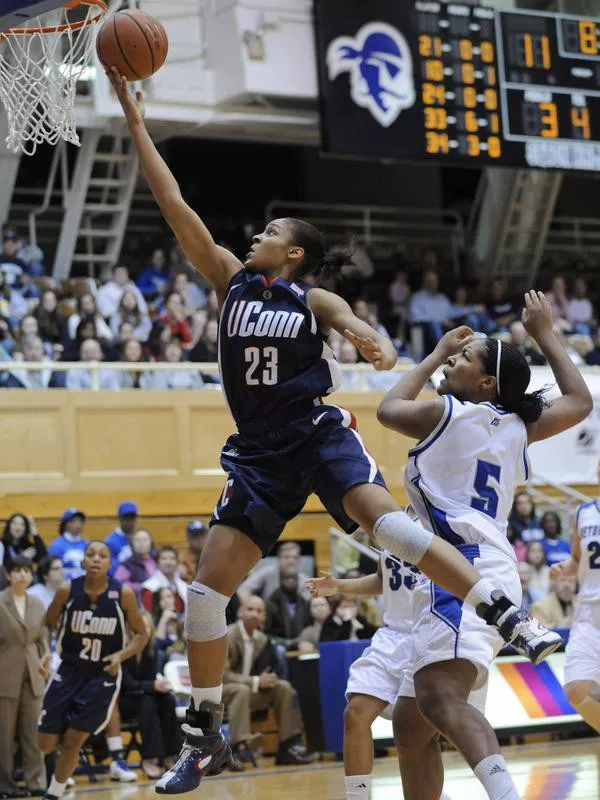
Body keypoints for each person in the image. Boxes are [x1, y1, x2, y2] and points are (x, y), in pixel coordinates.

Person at [109, 68, 561, 794]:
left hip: (317, 433)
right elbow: (173, 204)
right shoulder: (228, 280)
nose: (256, 234)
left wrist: (372, 339)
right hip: (258, 454)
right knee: (202, 595)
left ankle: (508, 616)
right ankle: (203, 736)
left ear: (292, 253)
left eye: (272, 232)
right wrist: (135, 122)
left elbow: (351, 319)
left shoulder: (307, 292)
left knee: (393, 529)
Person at [375, 291, 592, 800]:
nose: (453, 359)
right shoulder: (519, 426)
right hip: (482, 566)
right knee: (410, 722)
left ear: (486, 382)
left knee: (436, 698)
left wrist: (428, 356)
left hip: (465, 567)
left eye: (464, 358)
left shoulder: (448, 413)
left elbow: (388, 409)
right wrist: (544, 335)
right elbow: (581, 402)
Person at [307, 554, 463, 800]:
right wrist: (339, 586)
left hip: (430, 637)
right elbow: (386, 579)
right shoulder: (387, 530)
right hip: (391, 637)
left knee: (420, 738)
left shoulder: (440, 525)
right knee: (355, 714)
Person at [38, 541, 147, 800]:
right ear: (83, 561)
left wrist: (120, 656)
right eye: (91, 554)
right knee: (46, 744)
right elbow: (47, 624)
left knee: (74, 739)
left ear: (110, 563)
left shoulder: (123, 594)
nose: (96, 559)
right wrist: (46, 650)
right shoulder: (67, 590)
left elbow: (142, 634)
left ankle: (54, 793)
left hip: (102, 675)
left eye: (103, 555)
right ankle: (63, 758)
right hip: (68, 670)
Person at [222, 595, 311, 768]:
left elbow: (270, 668)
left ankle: (287, 746)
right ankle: (236, 749)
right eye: (250, 609)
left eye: (259, 611)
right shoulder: (228, 636)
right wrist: (256, 681)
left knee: (283, 688)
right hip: (222, 693)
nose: (254, 614)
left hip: (246, 692)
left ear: (264, 617)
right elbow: (222, 675)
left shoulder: (262, 640)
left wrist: (270, 679)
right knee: (241, 690)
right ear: (240, 612)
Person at [551, 494, 600, 733]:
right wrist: (563, 570)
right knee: (575, 690)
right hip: (588, 614)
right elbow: (578, 560)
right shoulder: (584, 512)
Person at [0, 557, 47, 799]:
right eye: (17, 570)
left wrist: (45, 658)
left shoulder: (37, 603)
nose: (22, 575)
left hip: (33, 675)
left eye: (27, 570)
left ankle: (36, 781)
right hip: (4, 677)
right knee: (4, 736)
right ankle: (4, 786)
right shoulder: (0, 601)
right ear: (8, 575)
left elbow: (43, 640)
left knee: (32, 732)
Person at [119, 612, 182, 778]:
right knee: (147, 701)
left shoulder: (152, 650)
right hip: (123, 700)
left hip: (144, 695)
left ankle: (169, 755)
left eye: (147, 625)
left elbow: (150, 680)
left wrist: (160, 686)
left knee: (167, 700)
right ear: (131, 628)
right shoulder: (121, 649)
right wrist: (152, 686)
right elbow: (126, 683)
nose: (145, 629)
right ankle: (149, 758)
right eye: (140, 625)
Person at [238, 541, 310, 601]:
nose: (291, 561)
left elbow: (308, 603)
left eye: (295, 558)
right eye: (287, 557)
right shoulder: (266, 572)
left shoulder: (305, 581)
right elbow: (243, 590)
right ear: (278, 559)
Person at [264, 567, 312, 649]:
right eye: (287, 578)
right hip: (277, 648)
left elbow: (308, 626)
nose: (291, 581)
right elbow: (265, 633)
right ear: (281, 580)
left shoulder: (304, 602)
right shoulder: (271, 603)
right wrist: (286, 642)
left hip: (300, 647)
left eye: (294, 579)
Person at [141, 546, 188, 614]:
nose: (168, 562)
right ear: (157, 563)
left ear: (177, 562)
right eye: (164, 558)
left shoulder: (184, 586)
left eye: (172, 558)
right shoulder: (149, 587)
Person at [114, 529, 158, 596]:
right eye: (138, 540)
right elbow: (118, 584)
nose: (141, 543)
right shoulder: (127, 564)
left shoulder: (157, 560)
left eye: (145, 539)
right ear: (132, 544)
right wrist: (142, 587)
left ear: (151, 543)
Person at [47, 509, 87, 581]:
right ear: (65, 524)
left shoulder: (87, 544)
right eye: (73, 521)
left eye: (80, 521)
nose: (78, 524)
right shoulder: (56, 546)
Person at [105, 500, 139, 575]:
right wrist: (119, 561)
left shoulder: (140, 538)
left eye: (132, 518)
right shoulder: (110, 541)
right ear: (119, 518)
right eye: (126, 518)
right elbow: (107, 570)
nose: (129, 522)